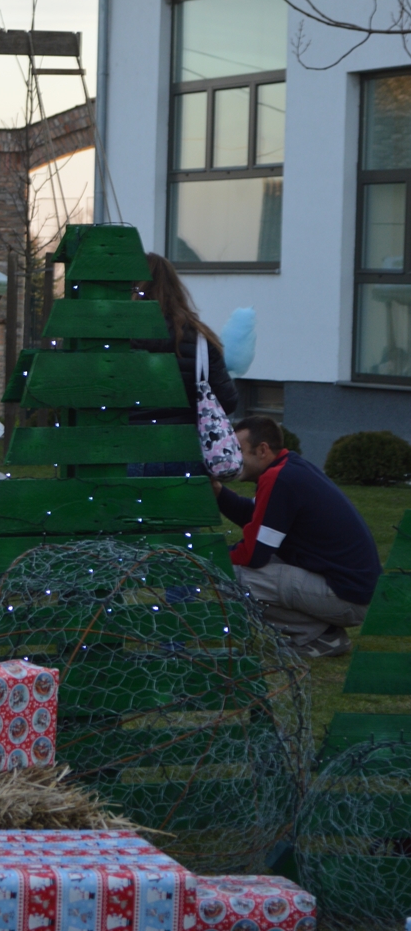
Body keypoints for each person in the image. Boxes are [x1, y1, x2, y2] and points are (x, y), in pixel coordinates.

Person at [213, 414, 381, 658]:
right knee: (243, 569)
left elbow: (254, 555)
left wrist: (208, 558)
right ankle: (324, 636)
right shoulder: (289, 469)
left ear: (262, 450)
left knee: (230, 575)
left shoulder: (279, 478)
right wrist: (218, 492)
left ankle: (319, 637)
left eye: (238, 450)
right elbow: (256, 515)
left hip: (349, 597)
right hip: (356, 591)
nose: (233, 458)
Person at [129, 253, 238, 474]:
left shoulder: (117, 338)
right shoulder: (200, 339)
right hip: (185, 454)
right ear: (176, 288)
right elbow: (227, 401)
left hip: (128, 450)